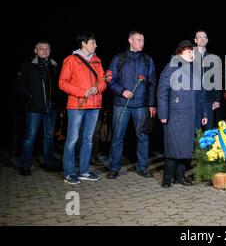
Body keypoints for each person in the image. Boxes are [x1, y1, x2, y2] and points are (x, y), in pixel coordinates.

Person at [157, 40, 208, 188]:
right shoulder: (171, 68)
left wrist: (204, 113)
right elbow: (162, 92)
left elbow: (202, 93)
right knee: (173, 145)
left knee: (187, 147)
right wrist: (163, 114)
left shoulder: (195, 69)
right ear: (180, 53)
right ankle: (167, 177)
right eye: (189, 51)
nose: (192, 54)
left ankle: (180, 175)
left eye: (193, 51)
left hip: (193, 114)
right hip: (176, 114)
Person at [107, 31, 157, 179]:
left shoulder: (147, 59)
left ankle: (142, 167)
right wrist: (122, 91)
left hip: (141, 105)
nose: (142, 42)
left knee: (143, 137)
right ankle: (114, 167)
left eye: (143, 40)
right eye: (139, 40)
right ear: (130, 40)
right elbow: (109, 79)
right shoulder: (119, 58)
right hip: (121, 104)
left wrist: (152, 104)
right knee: (117, 136)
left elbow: (152, 83)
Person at [59, 32, 107, 184]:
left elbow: (103, 80)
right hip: (77, 105)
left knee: (88, 139)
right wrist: (82, 93)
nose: (96, 45)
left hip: (94, 105)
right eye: (93, 42)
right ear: (84, 44)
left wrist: (97, 89)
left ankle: (84, 171)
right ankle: (69, 172)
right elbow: (63, 82)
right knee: (73, 139)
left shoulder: (97, 60)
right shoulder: (71, 60)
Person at [14, 41, 63, 175]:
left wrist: (58, 103)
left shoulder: (54, 66)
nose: (45, 51)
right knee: (30, 136)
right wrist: (30, 96)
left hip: (51, 108)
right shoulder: (28, 66)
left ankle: (49, 163)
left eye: (47, 49)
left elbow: (59, 86)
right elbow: (18, 85)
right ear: (36, 51)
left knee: (49, 136)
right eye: (41, 49)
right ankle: (25, 165)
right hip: (34, 108)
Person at [194, 30, 221, 129]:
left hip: (208, 98)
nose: (201, 39)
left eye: (204, 37)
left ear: (207, 40)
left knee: (209, 130)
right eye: (199, 37)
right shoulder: (189, 56)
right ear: (195, 40)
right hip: (193, 98)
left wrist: (217, 99)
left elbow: (217, 80)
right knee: (194, 130)